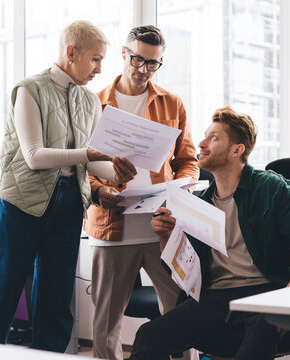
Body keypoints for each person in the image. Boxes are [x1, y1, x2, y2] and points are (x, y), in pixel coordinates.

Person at [0, 20, 137, 352]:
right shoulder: (29, 89)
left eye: (103, 61)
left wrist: (118, 172)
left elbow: (89, 162)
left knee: (56, 303)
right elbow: (34, 156)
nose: (100, 69)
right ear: (71, 52)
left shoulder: (89, 101)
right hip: (20, 204)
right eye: (95, 59)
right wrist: (91, 153)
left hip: (69, 204)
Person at [129, 106, 290, 360]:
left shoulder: (272, 187)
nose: (201, 144)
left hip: (267, 290)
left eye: (213, 137)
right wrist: (165, 237)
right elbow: (183, 271)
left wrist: (288, 299)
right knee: (149, 335)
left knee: (261, 326)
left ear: (237, 150)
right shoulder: (199, 202)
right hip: (216, 297)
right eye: (204, 136)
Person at [83, 25, 199, 360]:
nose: (142, 69)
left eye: (152, 63)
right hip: (111, 223)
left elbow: (188, 161)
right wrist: (98, 191)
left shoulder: (171, 103)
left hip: (161, 223)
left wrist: (184, 186)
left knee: (179, 313)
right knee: (105, 321)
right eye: (137, 59)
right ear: (124, 54)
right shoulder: (93, 103)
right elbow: (79, 165)